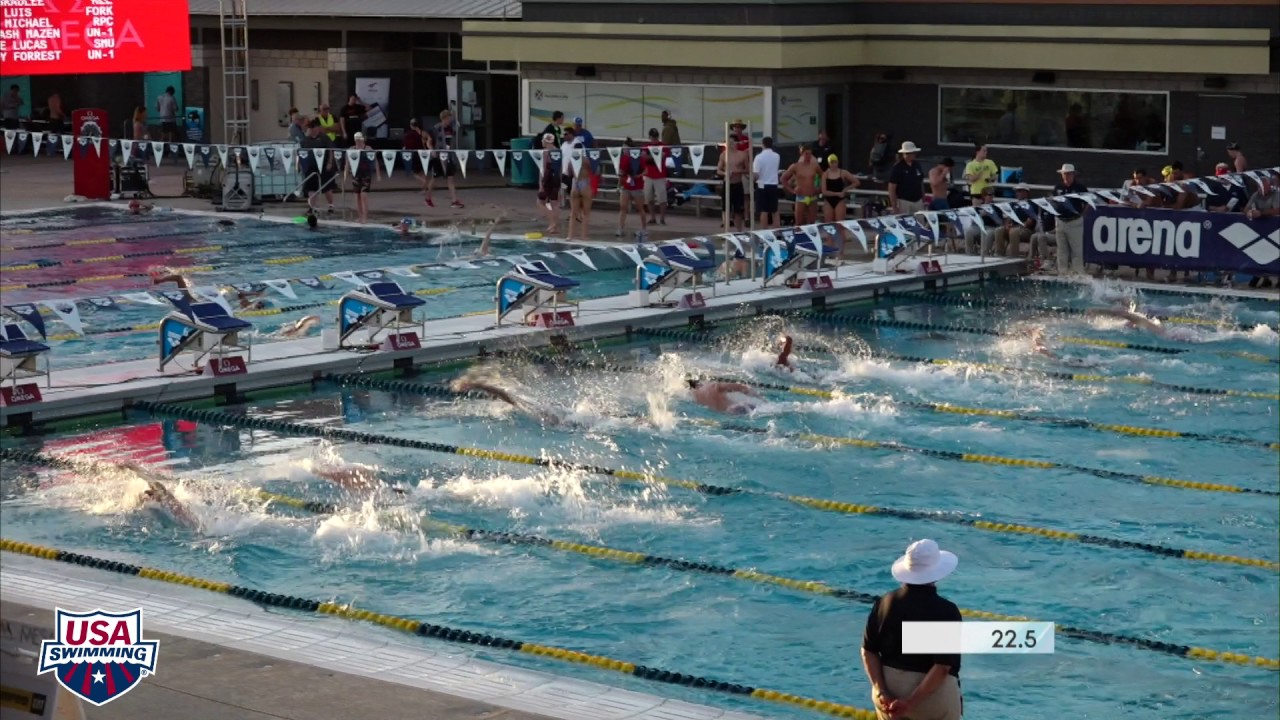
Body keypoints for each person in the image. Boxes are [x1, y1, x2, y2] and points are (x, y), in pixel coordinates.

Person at [861, 539, 963, 720]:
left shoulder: (884, 602)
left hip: (888, 689)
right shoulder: (946, 611)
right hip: (930, 696)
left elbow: (868, 651)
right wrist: (910, 703)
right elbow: (942, 667)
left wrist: (881, 690)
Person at [1053, 163, 1089, 276]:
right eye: (1065, 174)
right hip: (1061, 220)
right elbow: (1053, 202)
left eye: (1069, 174)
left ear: (1073, 175)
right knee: (1061, 249)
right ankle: (1062, 272)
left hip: (1074, 221)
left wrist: (1082, 215)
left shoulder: (1080, 188)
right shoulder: (1058, 188)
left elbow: (1088, 202)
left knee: (1076, 250)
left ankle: (1078, 273)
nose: (1066, 176)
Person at [427, 109, 465, 209]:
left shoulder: (451, 128)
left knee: (450, 178)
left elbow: (457, 126)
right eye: (448, 119)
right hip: (438, 156)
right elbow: (428, 142)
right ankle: (428, 197)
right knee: (435, 178)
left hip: (449, 156)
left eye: (450, 119)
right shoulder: (436, 128)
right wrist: (432, 150)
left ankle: (454, 201)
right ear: (443, 118)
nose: (449, 121)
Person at [299, 120, 337, 214]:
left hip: (324, 165)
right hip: (311, 165)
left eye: (314, 128)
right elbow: (301, 153)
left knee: (327, 186)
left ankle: (331, 205)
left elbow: (330, 151)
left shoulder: (324, 138)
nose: (312, 130)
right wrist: (300, 164)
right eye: (310, 128)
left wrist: (330, 162)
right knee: (311, 187)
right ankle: (312, 207)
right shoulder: (306, 140)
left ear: (317, 128)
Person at [716, 132, 750, 232]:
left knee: (738, 210)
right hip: (727, 184)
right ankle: (726, 231)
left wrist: (737, 171)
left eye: (732, 142)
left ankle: (739, 231)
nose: (730, 144)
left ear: (736, 143)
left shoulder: (742, 154)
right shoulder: (723, 155)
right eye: (728, 142)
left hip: (737, 184)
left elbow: (747, 169)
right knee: (725, 208)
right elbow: (718, 170)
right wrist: (725, 173)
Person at [781, 145, 822, 226]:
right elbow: (783, 179)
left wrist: (819, 188)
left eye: (810, 154)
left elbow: (823, 177)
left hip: (812, 196)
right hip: (801, 197)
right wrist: (792, 191)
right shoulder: (795, 166)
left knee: (812, 222)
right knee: (799, 222)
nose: (808, 156)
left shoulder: (815, 166)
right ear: (802, 154)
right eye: (806, 154)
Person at [618, 140, 649, 238]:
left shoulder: (639, 158)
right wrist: (619, 184)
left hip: (637, 186)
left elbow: (646, 170)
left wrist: (639, 175)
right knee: (623, 207)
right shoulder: (623, 158)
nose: (624, 150)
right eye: (623, 148)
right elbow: (621, 172)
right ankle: (620, 228)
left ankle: (644, 229)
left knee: (640, 208)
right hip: (626, 186)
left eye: (625, 148)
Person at [887, 141, 927, 215]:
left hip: (918, 200)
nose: (913, 155)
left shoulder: (917, 165)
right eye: (911, 153)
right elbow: (892, 187)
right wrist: (894, 206)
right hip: (904, 201)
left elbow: (920, 182)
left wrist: (923, 197)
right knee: (906, 220)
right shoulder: (898, 167)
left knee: (920, 219)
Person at [348, 132, 380, 224]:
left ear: (363, 140)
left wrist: (378, 174)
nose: (358, 142)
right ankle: (360, 216)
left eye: (359, 140)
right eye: (356, 140)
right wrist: (346, 174)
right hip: (355, 175)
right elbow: (347, 162)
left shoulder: (368, 149)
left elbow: (375, 161)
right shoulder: (351, 149)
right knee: (357, 196)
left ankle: (365, 217)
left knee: (363, 195)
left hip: (366, 175)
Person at [685, 379, 762, 415]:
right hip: (735, 409)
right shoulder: (712, 386)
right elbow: (738, 387)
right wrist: (757, 396)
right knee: (762, 409)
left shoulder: (695, 398)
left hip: (723, 414)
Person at [567, 141, 595, 241]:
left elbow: (569, 173)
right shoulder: (586, 160)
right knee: (586, 213)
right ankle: (583, 236)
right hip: (584, 184)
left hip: (575, 184)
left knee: (573, 213)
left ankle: (570, 236)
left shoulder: (571, 160)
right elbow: (594, 170)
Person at [820, 155, 860, 222]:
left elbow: (856, 182)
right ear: (829, 163)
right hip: (828, 200)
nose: (833, 164)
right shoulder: (825, 174)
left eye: (835, 162)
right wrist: (837, 193)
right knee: (828, 223)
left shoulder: (843, 173)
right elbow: (824, 191)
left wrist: (846, 189)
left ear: (837, 162)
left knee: (840, 222)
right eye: (831, 162)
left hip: (839, 200)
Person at [642, 128, 670, 225]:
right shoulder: (646, 146)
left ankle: (662, 219)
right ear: (650, 137)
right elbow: (643, 157)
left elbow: (663, 156)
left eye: (655, 137)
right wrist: (655, 157)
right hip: (649, 176)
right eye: (653, 137)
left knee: (662, 199)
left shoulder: (663, 146)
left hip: (660, 176)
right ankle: (652, 218)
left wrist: (650, 157)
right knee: (649, 198)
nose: (654, 139)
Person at [753, 136, 782, 229]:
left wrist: (752, 180)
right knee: (774, 210)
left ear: (763, 144)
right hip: (773, 184)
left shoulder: (758, 157)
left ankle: (764, 231)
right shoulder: (777, 156)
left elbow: (756, 174)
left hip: (762, 184)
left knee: (763, 210)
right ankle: (777, 230)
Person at [538, 133, 562, 235]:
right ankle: (554, 227)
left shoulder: (545, 152)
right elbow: (560, 168)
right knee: (555, 204)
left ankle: (552, 223)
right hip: (556, 179)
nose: (541, 142)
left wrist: (541, 184)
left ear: (545, 141)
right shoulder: (558, 151)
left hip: (547, 179)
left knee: (540, 202)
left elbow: (543, 170)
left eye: (542, 140)